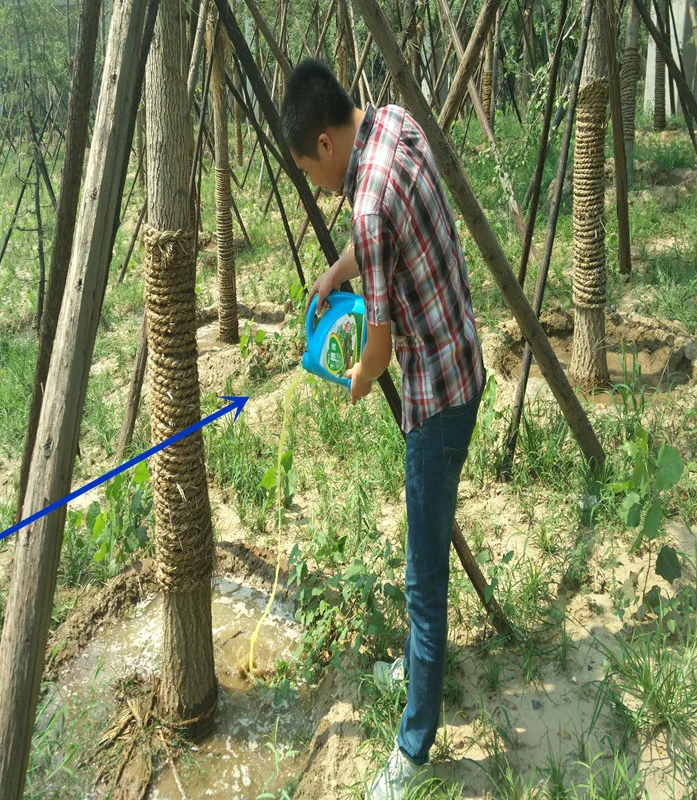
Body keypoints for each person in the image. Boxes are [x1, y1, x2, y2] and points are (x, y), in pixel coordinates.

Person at [281, 59, 486, 800]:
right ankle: (416, 664)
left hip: (435, 399)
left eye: (311, 167)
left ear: (328, 143)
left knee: (422, 582)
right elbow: (378, 246)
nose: (317, 183)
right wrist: (338, 274)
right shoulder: (393, 120)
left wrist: (356, 378)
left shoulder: (362, 205)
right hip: (463, 356)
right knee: (423, 566)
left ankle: (413, 750)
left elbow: (378, 347)